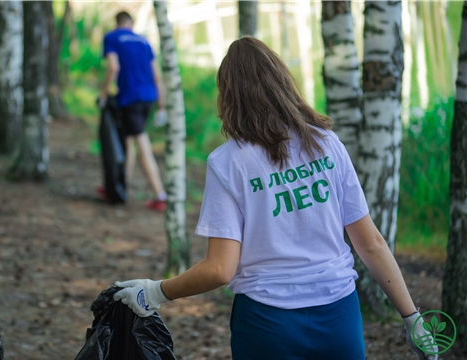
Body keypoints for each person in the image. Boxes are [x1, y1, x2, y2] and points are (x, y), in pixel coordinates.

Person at [113, 37, 437, 359]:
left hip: (267, 325)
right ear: (283, 82)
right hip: (339, 319)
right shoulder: (327, 143)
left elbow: (220, 269)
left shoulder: (227, 162)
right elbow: (371, 243)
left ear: (228, 96)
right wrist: (412, 317)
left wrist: (155, 292)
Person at [99, 11, 167, 211]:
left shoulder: (112, 37)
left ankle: (159, 194)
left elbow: (113, 68)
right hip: (149, 97)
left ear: (117, 22)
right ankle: (119, 187)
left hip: (130, 98)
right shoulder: (144, 42)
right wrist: (161, 107)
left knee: (141, 143)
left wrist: (103, 95)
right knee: (128, 142)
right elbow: (158, 76)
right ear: (131, 23)